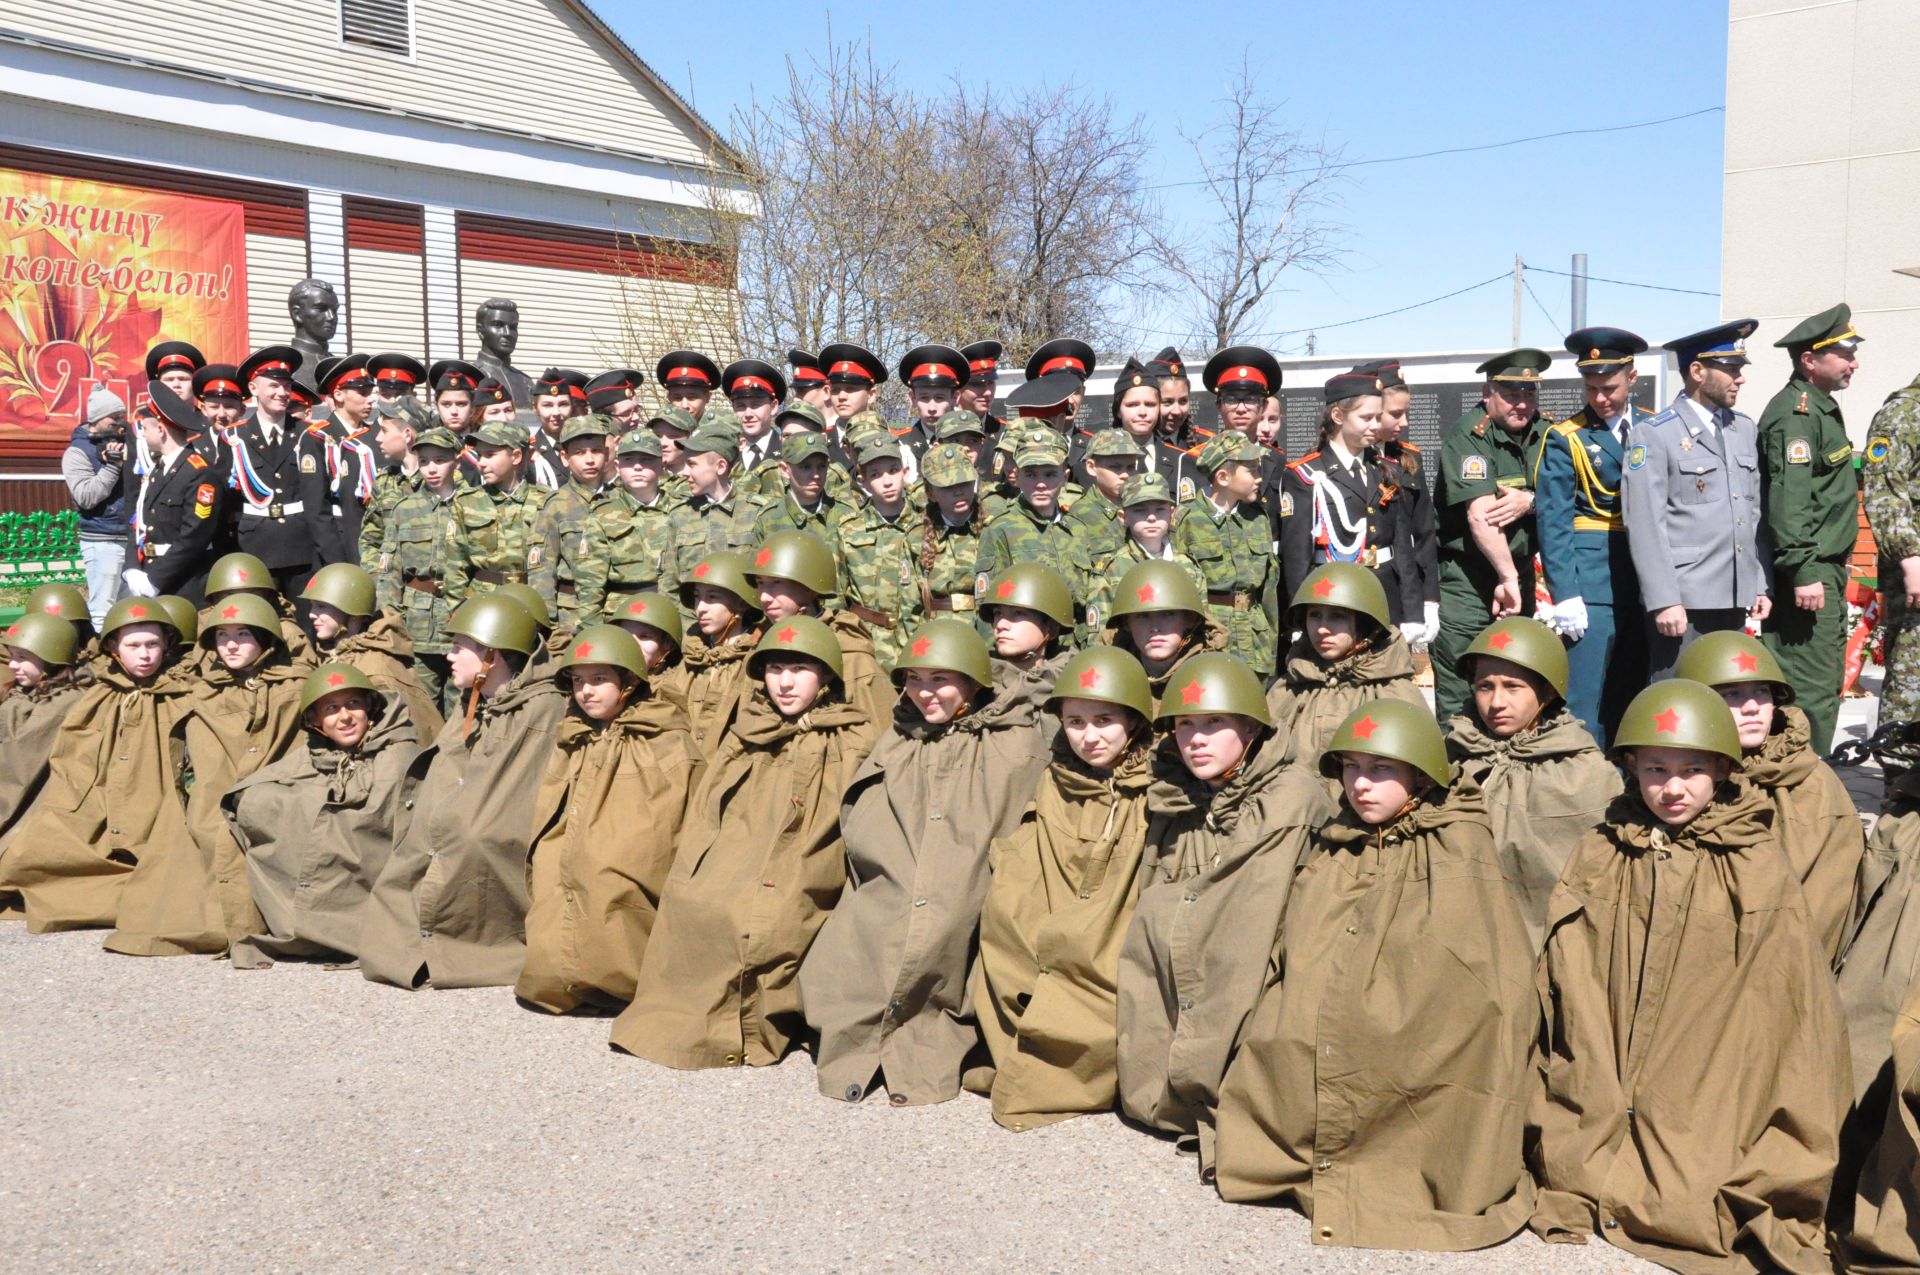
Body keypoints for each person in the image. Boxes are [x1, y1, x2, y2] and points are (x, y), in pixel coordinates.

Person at [1530, 679, 1849, 1274]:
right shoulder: (1602, 847)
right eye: (1654, 768)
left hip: (1705, 1075)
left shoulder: (1755, 859)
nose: (1672, 788)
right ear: (1629, 766)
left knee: (1688, 1193)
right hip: (1608, 1061)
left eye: (1692, 770)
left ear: (1725, 770)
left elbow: (1783, 996)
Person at [1213, 701, 1537, 1250]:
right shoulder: (1337, 840)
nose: (1361, 785)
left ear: (1420, 774)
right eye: (1351, 767)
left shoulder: (1459, 844)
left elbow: (1475, 966)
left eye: (1381, 769)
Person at [802, 617, 1055, 1105]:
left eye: (940, 679)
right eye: (914, 679)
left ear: (974, 682)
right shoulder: (898, 738)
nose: (924, 693)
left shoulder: (1018, 740)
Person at [616, 615, 879, 1067]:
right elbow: (710, 809)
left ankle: (748, 1024)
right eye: (775, 670)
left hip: (806, 861)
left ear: (827, 677)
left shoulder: (852, 738)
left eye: (799, 671)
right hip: (740, 851)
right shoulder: (749, 729)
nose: (785, 684)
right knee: (695, 899)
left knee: (765, 917)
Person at [1116, 653, 1332, 1165]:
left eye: (1215, 722)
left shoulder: (1291, 800)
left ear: (1252, 728)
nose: (1196, 739)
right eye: (1186, 725)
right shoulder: (1177, 794)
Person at [974, 645, 1157, 1131]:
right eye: (1075, 722)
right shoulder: (1055, 779)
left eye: (1104, 721)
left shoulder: (1159, 789)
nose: (1089, 737)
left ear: (1135, 722)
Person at [359, 595, 567, 990]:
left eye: (459, 647)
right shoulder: (476, 699)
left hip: (502, 838)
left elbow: (514, 790)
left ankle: (461, 946)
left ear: (491, 654)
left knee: (470, 836)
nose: (449, 656)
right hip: (453, 823)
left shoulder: (540, 708)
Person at [105, 592, 304, 958]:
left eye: (243, 634)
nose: (230, 644)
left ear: (265, 639)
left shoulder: (293, 690)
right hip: (209, 803)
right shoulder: (204, 692)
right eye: (222, 635)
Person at [516, 625, 702, 1014]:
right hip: (572, 846)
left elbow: (673, 821)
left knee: (610, 878)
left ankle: (616, 980)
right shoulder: (574, 733)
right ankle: (563, 977)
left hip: (626, 854)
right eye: (579, 681)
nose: (587, 691)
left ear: (630, 681)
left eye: (600, 679)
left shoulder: (663, 736)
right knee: (555, 875)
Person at [0, 598, 196, 930]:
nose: (145, 655)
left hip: (161, 812)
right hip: (96, 808)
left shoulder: (189, 693)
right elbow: (72, 762)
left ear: (167, 644)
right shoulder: (99, 695)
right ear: (114, 648)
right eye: (133, 645)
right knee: (27, 857)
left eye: (152, 644)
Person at [1676, 631, 1865, 963]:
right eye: (1732, 694)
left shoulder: (1812, 784)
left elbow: (1826, 901)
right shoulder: (1674, 776)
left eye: (1761, 692)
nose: (1751, 708)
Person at [222, 663, 421, 969]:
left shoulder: (397, 752)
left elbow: (377, 819)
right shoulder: (316, 752)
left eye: (353, 704)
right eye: (331, 708)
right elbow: (266, 787)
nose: (345, 717)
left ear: (369, 707)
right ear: (315, 721)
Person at [1444, 617, 1619, 949]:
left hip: (1551, 944)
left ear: (1547, 691)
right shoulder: (1454, 756)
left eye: (1513, 687)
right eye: (1485, 686)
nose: (1496, 703)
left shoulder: (1584, 771)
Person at [1622, 319, 1773, 679]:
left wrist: (1759, 583)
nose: (1741, 378)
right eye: (1731, 370)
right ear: (1697, 371)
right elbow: (1645, 524)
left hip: (1735, 595)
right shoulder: (1655, 434)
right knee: (1676, 701)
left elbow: (1753, 513)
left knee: (1725, 697)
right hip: (1684, 601)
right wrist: (1663, 599)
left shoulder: (1743, 429)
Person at [1531, 327, 1653, 747]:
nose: (1601, 398)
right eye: (1592, 387)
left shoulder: (1655, 428)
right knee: (1588, 699)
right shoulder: (1567, 438)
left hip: (1645, 580)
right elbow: (1554, 520)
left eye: (1610, 387)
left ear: (1632, 378)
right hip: (1593, 582)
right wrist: (1565, 593)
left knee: (1636, 693)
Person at [1759, 303, 1865, 754]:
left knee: (1821, 683)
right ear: (1810, 360)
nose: (1854, 362)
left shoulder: (1819, 409)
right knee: (1809, 688)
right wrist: (1804, 569)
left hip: (1825, 569)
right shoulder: (1797, 415)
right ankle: (1806, 788)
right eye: (1844, 353)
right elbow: (1789, 500)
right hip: (1809, 572)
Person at [1431, 349, 1552, 721]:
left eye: (1529, 394)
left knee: (1516, 674)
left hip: (1519, 574)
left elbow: (1566, 493)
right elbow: (1481, 514)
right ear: (1489, 393)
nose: (1521, 403)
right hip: (1469, 578)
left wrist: (1530, 501)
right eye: (1511, 394)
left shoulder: (1544, 432)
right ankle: (1456, 769)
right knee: (1463, 681)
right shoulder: (1470, 436)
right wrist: (1507, 577)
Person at [1279, 371, 1421, 629]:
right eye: (1366, 418)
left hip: (1384, 597)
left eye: (1379, 418)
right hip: (1334, 599)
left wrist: (1413, 614)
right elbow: (1296, 557)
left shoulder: (1387, 470)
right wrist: (1299, 622)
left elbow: (1403, 547)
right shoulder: (1306, 475)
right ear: (1338, 416)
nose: (1376, 426)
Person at [1265, 562, 1425, 761]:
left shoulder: (1394, 694)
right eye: (1315, 615)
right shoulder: (1289, 687)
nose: (1322, 629)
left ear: (1364, 626)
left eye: (1337, 617)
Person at [1175, 428, 1280, 680]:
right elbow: (1180, 588)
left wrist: (1271, 642)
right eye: (1251, 470)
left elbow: (1268, 590)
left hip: (1254, 636)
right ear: (1223, 476)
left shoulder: (1256, 518)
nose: (1259, 477)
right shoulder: (1188, 519)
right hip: (1211, 634)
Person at [373, 426, 464, 716]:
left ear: (457, 462)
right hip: (417, 622)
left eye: (440, 460)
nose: (431, 469)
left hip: (460, 620)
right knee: (420, 703)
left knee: (460, 702)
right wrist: (390, 619)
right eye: (424, 461)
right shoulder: (405, 508)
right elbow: (389, 569)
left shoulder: (474, 505)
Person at [299, 562, 443, 735]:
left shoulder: (375, 672)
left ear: (351, 612)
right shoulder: (341, 654)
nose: (311, 614)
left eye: (321, 607)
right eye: (312, 605)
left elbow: (393, 740)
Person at [1354, 359, 1440, 647]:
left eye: (1406, 413)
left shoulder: (1409, 459)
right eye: (1396, 414)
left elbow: (1423, 533)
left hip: (1400, 592)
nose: (1404, 423)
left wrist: (1429, 601)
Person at [1865, 366, 1920, 785]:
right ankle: (1900, 783)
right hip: (1917, 568)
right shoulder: (1903, 413)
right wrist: (1910, 557)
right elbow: (1885, 489)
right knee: (1910, 674)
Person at [127, 384, 227, 606]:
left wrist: (155, 579)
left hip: (183, 582)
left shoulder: (199, 473)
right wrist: (132, 568)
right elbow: (138, 525)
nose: (141, 434)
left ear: (161, 430)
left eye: (145, 428)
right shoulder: (156, 469)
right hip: (147, 574)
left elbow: (194, 536)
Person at [442, 419, 552, 613]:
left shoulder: (547, 502)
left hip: (530, 602)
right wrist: (457, 612)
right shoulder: (467, 502)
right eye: (480, 455)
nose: (481, 463)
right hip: (481, 603)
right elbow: (455, 566)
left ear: (516, 456)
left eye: (490, 455)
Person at [1084, 473, 1207, 638]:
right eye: (1139, 510)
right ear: (1123, 517)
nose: (1151, 517)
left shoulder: (1189, 567)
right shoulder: (1111, 569)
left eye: (1159, 510)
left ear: (1172, 514)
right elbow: (1100, 637)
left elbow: (1201, 626)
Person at [0, 614, 86, 846]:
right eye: (12, 656)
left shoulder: (60, 703)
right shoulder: (27, 691)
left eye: (22, 657)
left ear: (50, 660)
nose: (12, 664)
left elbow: (18, 768)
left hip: (30, 807)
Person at [528, 415, 619, 632]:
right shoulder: (555, 505)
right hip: (571, 614)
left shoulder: (620, 499)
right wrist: (547, 623)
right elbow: (542, 570)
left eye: (596, 451)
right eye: (579, 452)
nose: (589, 459)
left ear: (606, 454)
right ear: (565, 457)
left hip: (615, 609)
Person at [1098, 559, 1224, 710]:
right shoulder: (1108, 677)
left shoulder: (1215, 677)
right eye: (1143, 616)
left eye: (1168, 614)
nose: (1155, 628)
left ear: (1189, 619)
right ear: (1126, 623)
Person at [677, 551, 764, 753]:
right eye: (697, 597)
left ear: (741, 603)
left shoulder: (755, 659)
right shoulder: (692, 655)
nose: (701, 608)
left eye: (712, 597)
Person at [666, 425, 773, 584]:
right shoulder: (680, 515)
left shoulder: (759, 512)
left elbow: (768, 576)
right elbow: (670, 582)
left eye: (692, 464)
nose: (685, 472)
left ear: (720, 467)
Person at [65, 384, 131, 627]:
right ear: (96, 419)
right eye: (113, 418)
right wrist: (112, 467)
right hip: (102, 540)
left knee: (129, 607)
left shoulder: (125, 444)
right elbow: (86, 497)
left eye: (121, 417)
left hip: (129, 538)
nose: (119, 423)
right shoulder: (77, 452)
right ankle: (99, 660)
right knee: (103, 610)